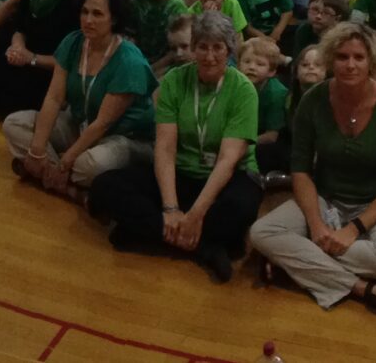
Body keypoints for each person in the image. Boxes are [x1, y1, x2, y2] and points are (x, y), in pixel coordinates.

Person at [249, 21, 376, 318]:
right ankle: (362, 288)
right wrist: (316, 225)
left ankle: (293, 260)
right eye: (342, 57)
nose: (350, 65)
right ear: (329, 60)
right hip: (327, 198)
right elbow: (300, 170)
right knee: (262, 232)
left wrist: (352, 230)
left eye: (359, 57)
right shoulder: (313, 101)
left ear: (372, 62)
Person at [88, 14, 263, 281]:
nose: (209, 56)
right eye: (202, 47)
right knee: (105, 185)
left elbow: (227, 161)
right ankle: (204, 246)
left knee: (240, 207)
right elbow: (165, 149)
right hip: (181, 172)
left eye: (218, 48)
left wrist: (195, 214)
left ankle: (150, 233)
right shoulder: (173, 80)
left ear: (229, 51)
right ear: (193, 48)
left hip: (226, 178)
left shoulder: (243, 90)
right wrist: (171, 209)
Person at [4, 0, 156, 195]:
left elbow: (103, 124)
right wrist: (37, 150)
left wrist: (65, 162)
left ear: (113, 19)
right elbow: (54, 98)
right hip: (79, 123)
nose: (88, 20)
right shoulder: (73, 42)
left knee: (90, 166)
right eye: (84, 12)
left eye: (97, 14)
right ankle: (67, 186)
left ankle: (47, 174)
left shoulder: (130, 62)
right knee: (14, 124)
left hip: (122, 137)